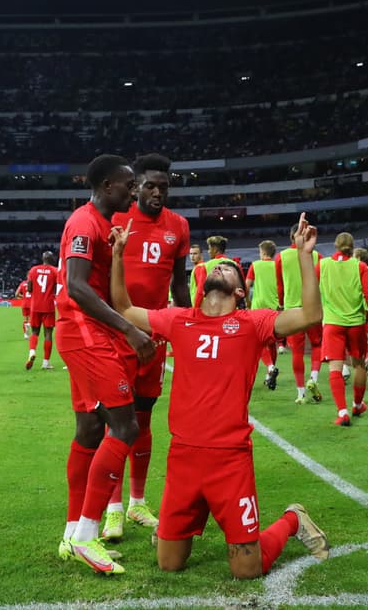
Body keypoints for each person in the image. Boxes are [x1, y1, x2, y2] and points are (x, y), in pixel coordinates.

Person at [110, 212, 331, 578]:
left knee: (248, 569)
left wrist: (305, 255)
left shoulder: (252, 323)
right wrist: (118, 256)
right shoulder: (178, 319)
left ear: (240, 291)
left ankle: (293, 519)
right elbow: (124, 308)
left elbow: (310, 314)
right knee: (168, 564)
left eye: (231, 269)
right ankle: (171, 532)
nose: (223, 267)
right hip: (183, 457)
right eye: (220, 266)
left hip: (230, 460)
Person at [54, 154, 154, 576]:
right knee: (125, 426)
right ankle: (86, 535)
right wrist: (129, 331)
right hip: (85, 333)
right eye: (128, 185)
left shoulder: (103, 224)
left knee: (90, 429)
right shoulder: (84, 223)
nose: (134, 191)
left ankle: (72, 531)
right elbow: (76, 287)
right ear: (107, 185)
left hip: (89, 332)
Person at [103, 152, 191, 542]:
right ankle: (113, 507)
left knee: (144, 417)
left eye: (164, 187)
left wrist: (189, 325)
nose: (158, 192)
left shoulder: (180, 226)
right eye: (151, 186)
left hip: (154, 336)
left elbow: (179, 284)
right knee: (117, 420)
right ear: (136, 186)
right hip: (117, 332)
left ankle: (138, 502)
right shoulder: (116, 219)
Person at [319, 234, 368, 427]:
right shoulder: (360, 267)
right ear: (352, 247)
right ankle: (357, 405)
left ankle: (342, 412)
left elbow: (310, 287)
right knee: (359, 364)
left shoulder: (323, 265)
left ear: (335, 246)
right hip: (356, 324)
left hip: (332, 324)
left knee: (335, 368)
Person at [281, 223, 323, 404]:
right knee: (317, 344)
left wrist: (282, 304)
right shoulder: (317, 256)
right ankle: (313, 379)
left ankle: (300, 394)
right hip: (312, 308)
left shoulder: (281, 257)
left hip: (292, 310)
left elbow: (279, 286)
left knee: (297, 352)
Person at [245, 240, 283, 390]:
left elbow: (246, 286)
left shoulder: (255, 265)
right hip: (274, 308)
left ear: (263, 252)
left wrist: (247, 303)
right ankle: (269, 373)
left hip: (258, 308)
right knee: (271, 341)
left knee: (259, 342)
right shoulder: (277, 266)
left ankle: (270, 367)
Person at [25, 252, 61, 370]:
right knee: (48, 334)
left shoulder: (33, 270)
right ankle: (46, 362)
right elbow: (58, 288)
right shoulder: (55, 271)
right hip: (48, 306)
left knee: (35, 332)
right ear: (52, 259)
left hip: (35, 305)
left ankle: (32, 352)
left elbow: (29, 288)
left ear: (43, 259)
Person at [191, 236, 233, 306]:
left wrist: (196, 309)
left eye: (209, 248)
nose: (208, 251)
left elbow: (200, 292)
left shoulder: (205, 266)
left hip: (212, 308)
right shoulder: (235, 264)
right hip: (230, 308)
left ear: (215, 249)